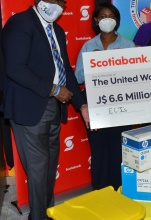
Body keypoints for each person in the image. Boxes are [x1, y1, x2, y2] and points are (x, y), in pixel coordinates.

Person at [1, 1, 89, 219]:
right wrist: (54, 89)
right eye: (52, 0)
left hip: (52, 107)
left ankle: (47, 212)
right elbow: (15, 68)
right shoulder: (20, 23)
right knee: (39, 170)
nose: (56, 5)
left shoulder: (57, 30)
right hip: (28, 107)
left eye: (61, 2)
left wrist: (82, 105)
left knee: (49, 168)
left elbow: (65, 68)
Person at [75, 3, 134, 191]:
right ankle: (99, 192)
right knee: (99, 151)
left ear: (116, 20)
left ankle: (119, 191)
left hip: (121, 104)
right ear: (96, 20)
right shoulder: (88, 46)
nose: (106, 19)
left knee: (118, 151)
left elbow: (136, 76)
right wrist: (94, 64)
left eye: (111, 16)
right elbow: (77, 77)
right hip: (95, 104)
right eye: (102, 16)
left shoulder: (128, 45)